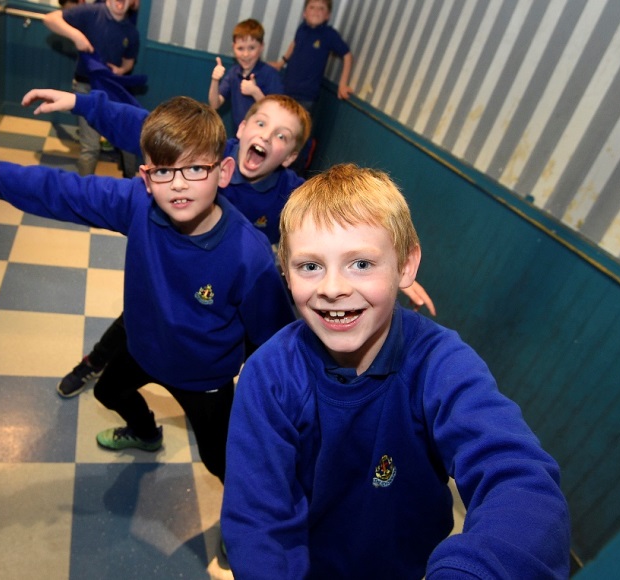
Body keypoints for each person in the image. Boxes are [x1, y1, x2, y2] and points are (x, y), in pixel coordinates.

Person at [0, 97, 296, 485]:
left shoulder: (249, 255)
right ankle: (145, 433)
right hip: (144, 350)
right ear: (146, 178)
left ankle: (240, 525)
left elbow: (273, 341)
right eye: (164, 172)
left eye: (195, 170)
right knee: (108, 390)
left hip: (203, 378)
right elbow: (59, 190)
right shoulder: (139, 204)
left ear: (222, 173)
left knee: (219, 460)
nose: (179, 185)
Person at [220, 164, 571, 578]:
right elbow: (257, 519)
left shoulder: (440, 363)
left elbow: (522, 483)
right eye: (310, 266)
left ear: (406, 266)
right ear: (286, 271)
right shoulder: (269, 375)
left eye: (361, 264)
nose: (332, 288)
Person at [21, 87, 437, 398]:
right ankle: (96, 360)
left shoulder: (287, 195)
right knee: (136, 319)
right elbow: (141, 126)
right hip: (166, 284)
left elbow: (336, 222)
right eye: (260, 123)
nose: (267, 137)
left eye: (282, 137)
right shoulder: (203, 153)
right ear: (240, 129)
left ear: (290, 157)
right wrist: (82, 104)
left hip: (221, 290)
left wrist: (386, 258)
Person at [44, 0, 139, 176]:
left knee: (129, 139)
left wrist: (120, 70)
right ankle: (82, 195)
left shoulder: (131, 32)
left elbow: (129, 62)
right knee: (91, 148)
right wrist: (76, 35)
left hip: (113, 88)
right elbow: (50, 19)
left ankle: (132, 186)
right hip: (86, 87)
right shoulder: (90, 12)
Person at [269, 0, 353, 174]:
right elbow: (294, 43)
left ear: (328, 15)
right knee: (281, 129)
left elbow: (347, 55)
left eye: (321, 9)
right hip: (287, 91)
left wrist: (343, 83)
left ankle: (295, 174)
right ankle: (275, 166)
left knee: (299, 136)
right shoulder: (302, 29)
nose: (316, 11)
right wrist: (281, 62)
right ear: (304, 13)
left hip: (307, 97)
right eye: (312, 7)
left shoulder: (329, 35)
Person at [209, 19, 284, 133]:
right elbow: (215, 104)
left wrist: (255, 92)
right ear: (233, 47)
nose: (245, 54)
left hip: (263, 138)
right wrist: (215, 80)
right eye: (240, 48)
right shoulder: (234, 73)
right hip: (238, 135)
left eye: (251, 48)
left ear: (261, 47)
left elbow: (277, 112)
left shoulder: (270, 74)